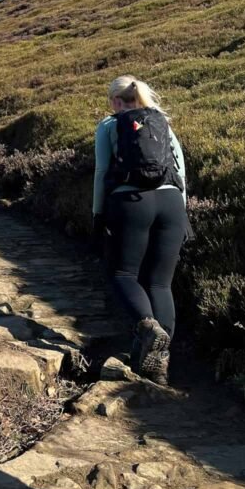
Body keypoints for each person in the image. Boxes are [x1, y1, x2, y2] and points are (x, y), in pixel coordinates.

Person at [93, 75, 187, 385]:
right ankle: (159, 368)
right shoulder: (163, 122)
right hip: (172, 203)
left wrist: (97, 213)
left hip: (131, 202)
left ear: (115, 101)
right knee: (160, 283)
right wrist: (182, 212)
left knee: (123, 274)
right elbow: (180, 170)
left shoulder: (109, 125)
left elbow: (102, 171)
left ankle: (148, 328)